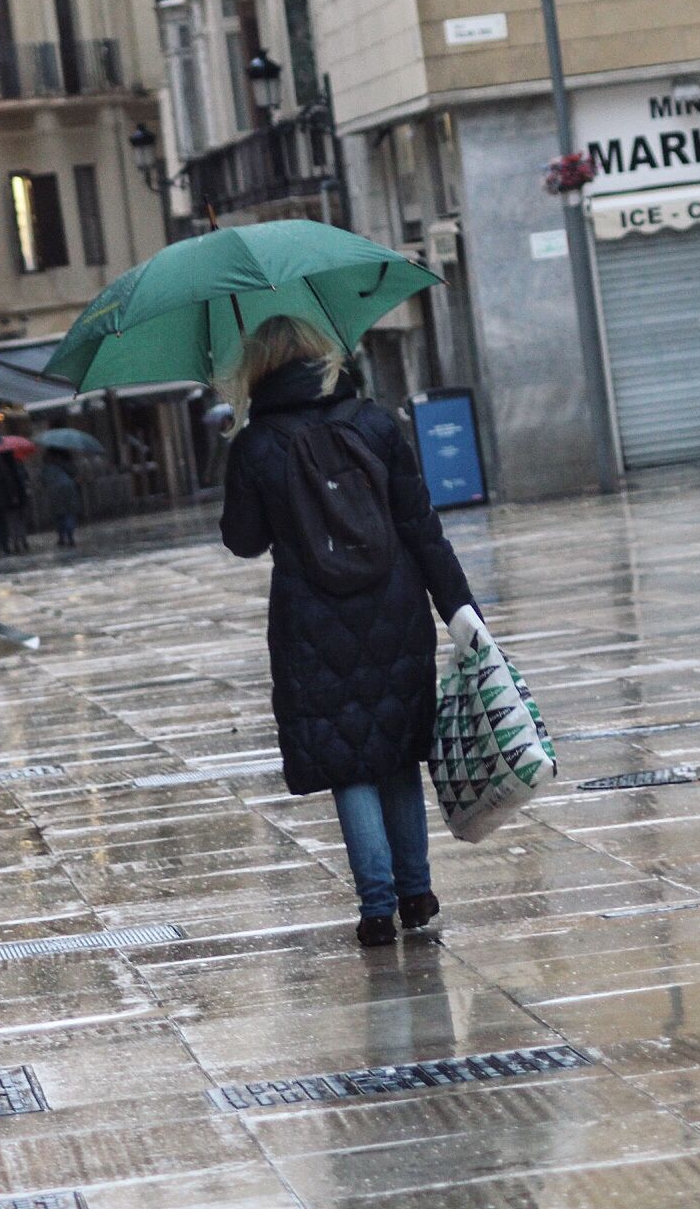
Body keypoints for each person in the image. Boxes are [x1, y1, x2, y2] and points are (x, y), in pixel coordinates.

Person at [220, 316, 474, 947]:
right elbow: (421, 525)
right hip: (395, 609)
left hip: (312, 623)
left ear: (258, 368)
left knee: (349, 763)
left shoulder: (255, 446)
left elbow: (243, 541)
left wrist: (240, 451)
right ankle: (417, 892)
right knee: (395, 754)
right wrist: (460, 609)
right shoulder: (375, 423)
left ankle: (376, 907)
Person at [42, 451, 82, 548]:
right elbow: (75, 474)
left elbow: (42, 481)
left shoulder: (46, 468)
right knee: (68, 513)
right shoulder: (66, 465)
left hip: (54, 492)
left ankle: (61, 538)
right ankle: (70, 537)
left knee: (58, 515)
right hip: (69, 490)